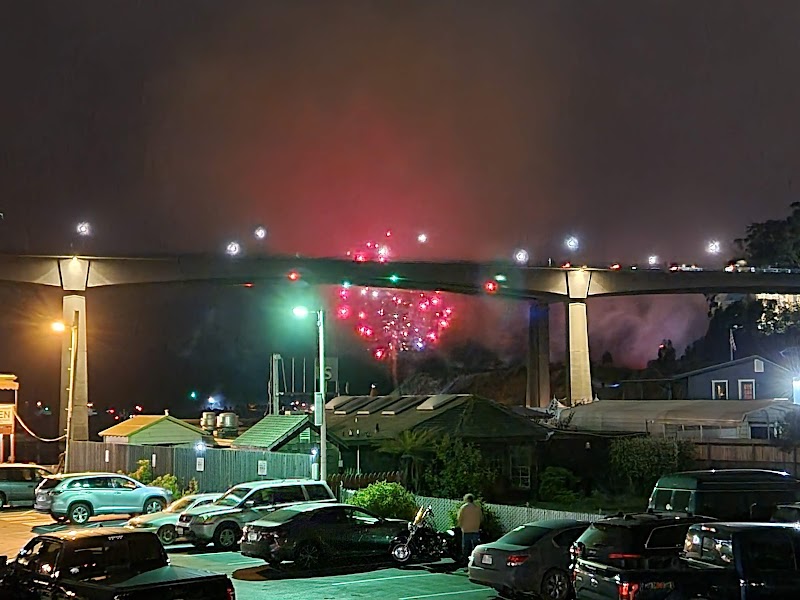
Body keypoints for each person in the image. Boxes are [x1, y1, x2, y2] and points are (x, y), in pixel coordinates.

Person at [457, 493, 482, 561]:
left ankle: (465, 559)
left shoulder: (464, 507)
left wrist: (460, 525)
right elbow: (481, 518)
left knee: (466, 546)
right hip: (475, 529)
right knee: (475, 546)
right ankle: (476, 559)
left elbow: (459, 517)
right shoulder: (477, 508)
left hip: (466, 529)